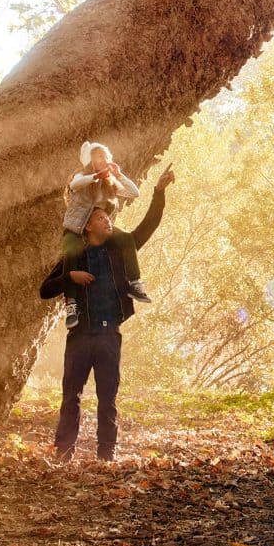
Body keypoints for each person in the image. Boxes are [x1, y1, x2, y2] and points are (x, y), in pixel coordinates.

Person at [40, 162, 175, 462]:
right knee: (71, 396)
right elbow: (44, 290)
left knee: (107, 399)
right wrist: (68, 279)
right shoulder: (73, 257)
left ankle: (106, 454)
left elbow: (148, 226)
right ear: (88, 226)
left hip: (109, 336)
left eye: (108, 217)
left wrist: (159, 192)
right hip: (79, 337)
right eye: (102, 218)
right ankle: (63, 453)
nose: (108, 221)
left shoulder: (120, 249)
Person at [61, 142, 150, 328]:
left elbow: (135, 193)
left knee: (126, 238)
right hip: (78, 226)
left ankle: (134, 283)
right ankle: (71, 305)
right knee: (71, 253)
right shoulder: (83, 176)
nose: (104, 159)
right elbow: (75, 184)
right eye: (99, 156)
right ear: (91, 160)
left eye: (106, 157)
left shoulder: (110, 183)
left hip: (100, 228)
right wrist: (95, 176)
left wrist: (118, 175)